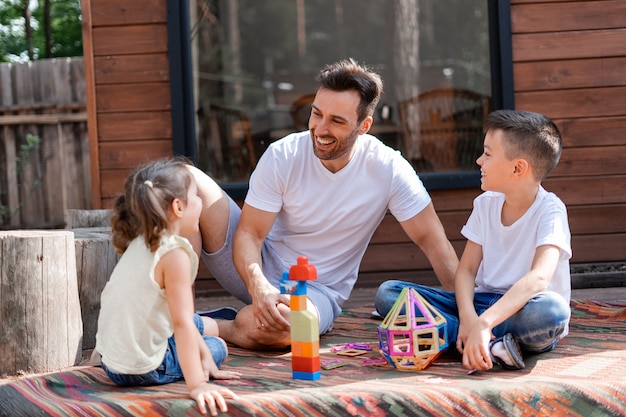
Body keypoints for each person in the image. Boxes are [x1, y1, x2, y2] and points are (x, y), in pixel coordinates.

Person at [188, 58, 459, 350]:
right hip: (256, 264)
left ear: (363, 126)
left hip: (316, 291)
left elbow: (433, 241)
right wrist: (259, 285)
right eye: (316, 114)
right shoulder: (283, 155)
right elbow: (250, 234)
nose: (320, 128)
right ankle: (179, 316)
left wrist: (471, 316)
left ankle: (209, 325)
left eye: (337, 121)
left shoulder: (388, 168)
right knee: (184, 179)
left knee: (290, 328)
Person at [375, 109, 572, 372]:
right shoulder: (485, 204)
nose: (479, 161)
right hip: (481, 303)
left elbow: (539, 279)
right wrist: (469, 318)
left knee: (553, 313)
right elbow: (466, 270)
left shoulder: (551, 210)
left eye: (488, 154)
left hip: (524, 309)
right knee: (389, 294)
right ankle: (492, 345)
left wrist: (484, 323)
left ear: (518, 168)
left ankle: (455, 337)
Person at [95, 158, 241, 416]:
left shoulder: (142, 242)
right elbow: (182, 323)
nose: (201, 203)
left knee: (203, 345)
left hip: (111, 363)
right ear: (178, 207)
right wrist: (198, 384)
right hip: (141, 370)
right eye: (196, 197)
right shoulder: (175, 254)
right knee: (219, 347)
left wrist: (202, 353)